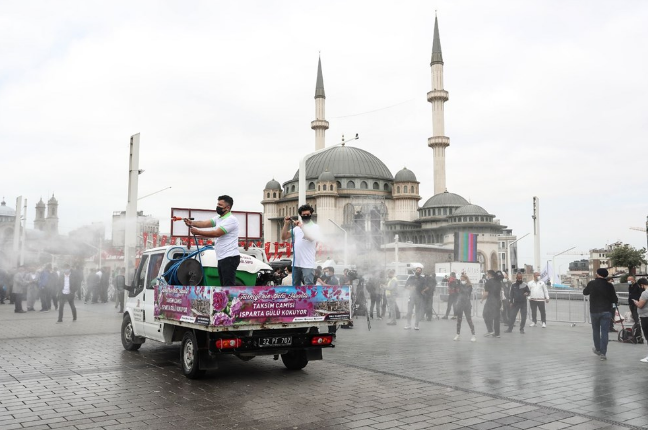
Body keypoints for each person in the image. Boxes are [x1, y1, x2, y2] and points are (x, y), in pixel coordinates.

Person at [185, 195, 240, 287]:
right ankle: (226, 301)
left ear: (228, 207)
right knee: (224, 285)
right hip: (222, 257)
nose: (217, 206)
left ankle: (231, 301)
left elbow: (216, 233)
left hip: (230, 257)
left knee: (228, 286)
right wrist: (192, 223)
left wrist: (197, 232)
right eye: (217, 204)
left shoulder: (231, 220)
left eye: (220, 204)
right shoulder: (219, 218)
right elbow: (204, 223)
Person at [583, 268, 618, 361]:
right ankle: (603, 353)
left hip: (594, 311)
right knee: (605, 332)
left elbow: (585, 292)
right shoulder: (609, 285)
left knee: (595, 331)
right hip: (606, 311)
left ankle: (597, 349)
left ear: (598, 274)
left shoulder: (592, 283)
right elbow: (615, 299)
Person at [281, 204, 320, 286]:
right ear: (300, 215)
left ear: (311, 215)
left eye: (308, 215)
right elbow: (284, 237)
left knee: (308, 285)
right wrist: (286, 224)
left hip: (308, 263)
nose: (306, 216)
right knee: (295, 285)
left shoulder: (315, 227)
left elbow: (311, 238)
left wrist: (302, 227)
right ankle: (296, 299)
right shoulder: (296, 228)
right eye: (303, 215)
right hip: (296, 263)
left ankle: (309, 299)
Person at [454, 273, 476, 341]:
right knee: (459, 320)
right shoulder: (460, 285)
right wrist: (457, 284)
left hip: (467, 304)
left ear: (466, 280)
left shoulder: (469, 286)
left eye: (463, 279)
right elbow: (455, 289)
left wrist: (460, 286)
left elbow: (466, 292)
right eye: (461, 280)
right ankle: (458, 334)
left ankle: (473, 335)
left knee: (469, 319)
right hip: (460, 304)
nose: (462, 281)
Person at [631, 278, 648, 363]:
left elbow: (641, 305)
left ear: (641, 285)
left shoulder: (645, 293)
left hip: (645, 316)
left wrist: (636, 302)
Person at [482, 270, 503, 338]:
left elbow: (486, 293)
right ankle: (497, 333)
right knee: (496, 317)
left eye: (487, 274)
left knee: (485, 314)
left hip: (490, 301)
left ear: (490, 274)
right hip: (498, 301)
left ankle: (490, 330)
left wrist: (482, 299)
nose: (487, 275)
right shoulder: (499, 282)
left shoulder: (488, 282)